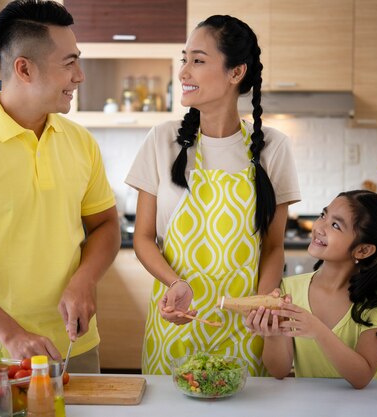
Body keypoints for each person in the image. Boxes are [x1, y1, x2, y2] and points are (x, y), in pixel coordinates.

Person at [0, 0, 120, 372]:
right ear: (24, 69)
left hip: (76, 346)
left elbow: (106, 225)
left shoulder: (80, 142)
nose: (80, 75)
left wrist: (85, 278)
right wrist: (11, 334)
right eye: (69, 63)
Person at [125, 15, 301, 375]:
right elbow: (142, 238)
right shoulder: (162, 140)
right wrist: (175, 283)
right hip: (176, 322)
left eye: (198, 61)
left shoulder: (274, 148)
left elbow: (273, 246)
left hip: (246, 331)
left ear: (236, 73)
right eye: (184, 59)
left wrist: (263, 305)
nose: (184, 73)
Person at [245, 190, 377, 389]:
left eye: (335, 225)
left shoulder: (374, 300)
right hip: (315, 403)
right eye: (323, 215)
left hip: (369, 404)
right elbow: (279, 370)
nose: (319, 227)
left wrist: (317, 330)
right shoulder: (290, 289)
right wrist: (271, 334)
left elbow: (362, 377)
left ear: (363, 250)